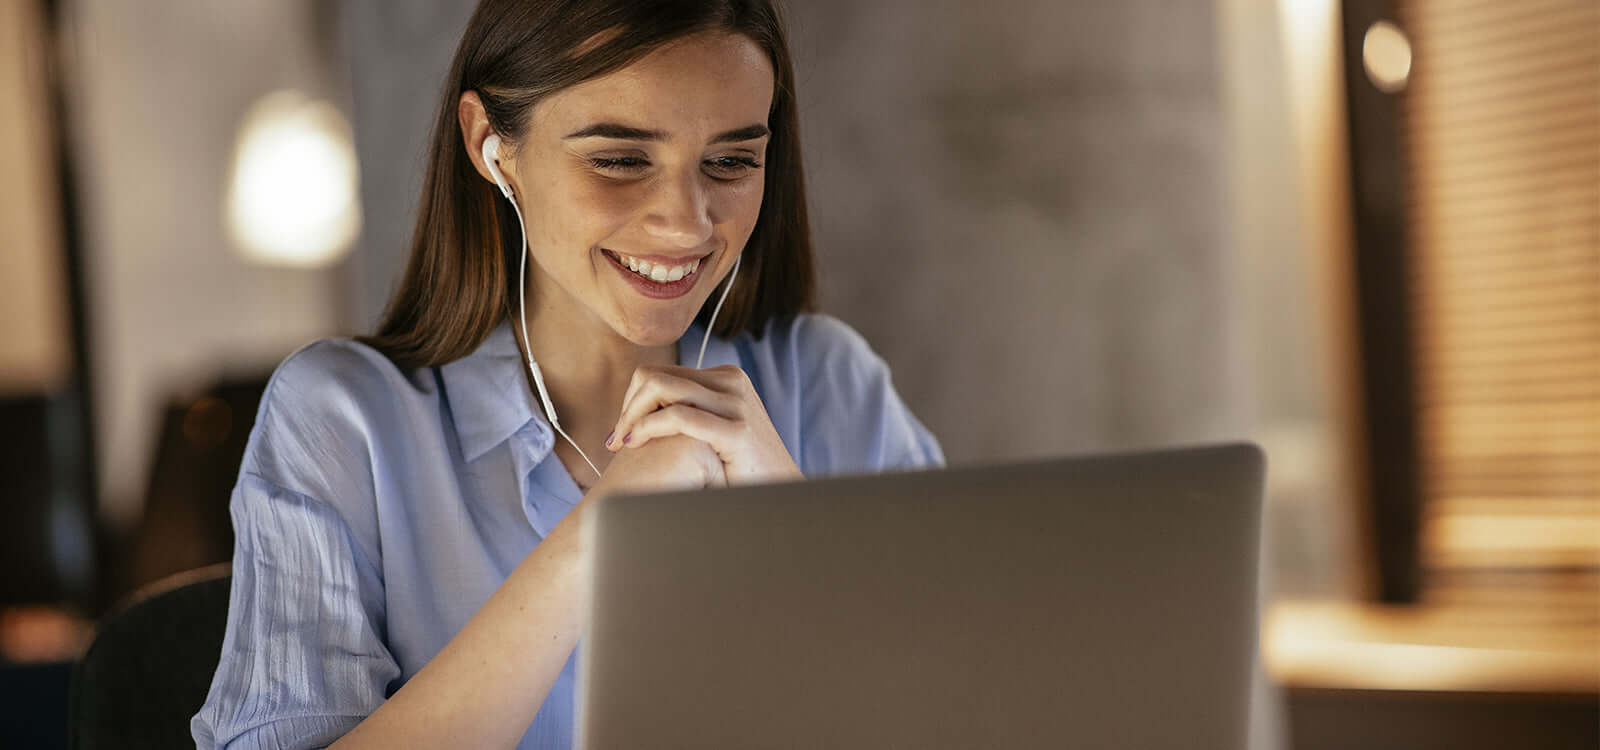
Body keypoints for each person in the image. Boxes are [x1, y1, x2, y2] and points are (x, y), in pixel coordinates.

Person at [192, 1, 943, 747]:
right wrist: (600, 534)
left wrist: (791, 521)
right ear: (491, 145)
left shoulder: (830, 385)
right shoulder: (342, 420)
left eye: (731, 161)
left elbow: (966, 710)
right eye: (619, 160)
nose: (687, 223)